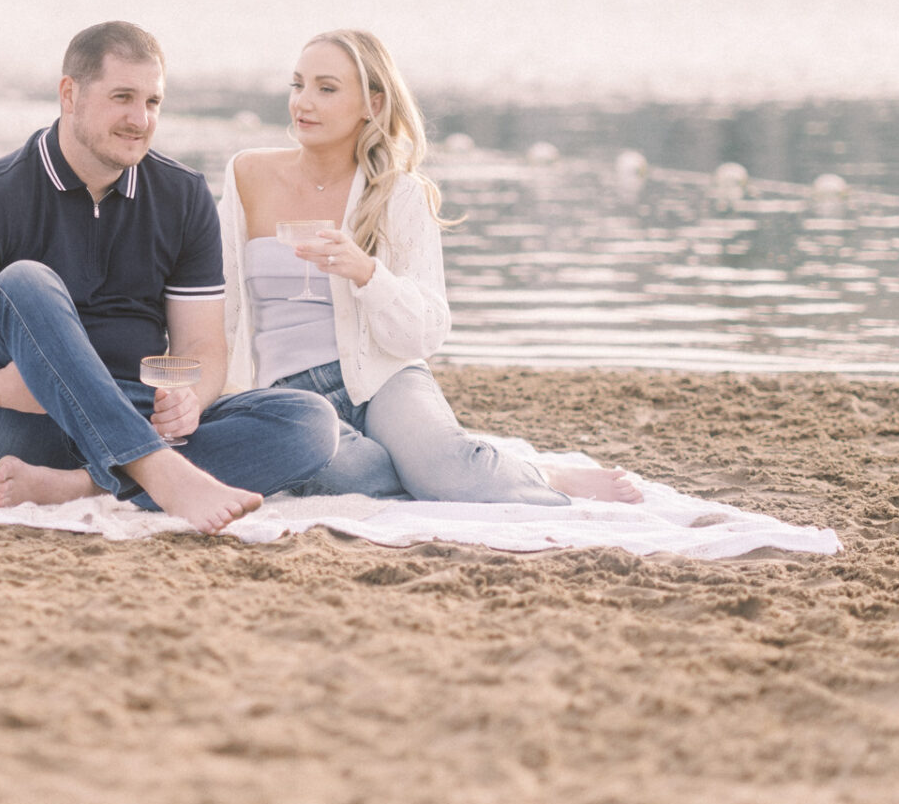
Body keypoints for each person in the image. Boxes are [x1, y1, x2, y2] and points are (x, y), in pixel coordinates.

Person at [0, 21, 339, 534]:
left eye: (153, 102)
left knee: (310, 423)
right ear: (69, 94)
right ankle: (158, 474)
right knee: (25, 283)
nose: (140, 119)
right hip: (10, 424)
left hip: (129, 406)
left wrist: (191, 399)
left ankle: (87, 484)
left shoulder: (183, 197)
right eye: (122, 97)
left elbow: (202, 346)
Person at [225, 29, 642, 507]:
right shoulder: (247, 174)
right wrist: (219, 390)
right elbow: (222, 302)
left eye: (327, 88)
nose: (303, 102)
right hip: (290, 395)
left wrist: (367, 274)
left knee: (448, 476)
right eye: (297, 85)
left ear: (373, 106)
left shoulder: (402, 194)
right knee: (362, 478)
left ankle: (536, 473)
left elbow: (425, 335)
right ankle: (454, 461)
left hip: (384, 377)